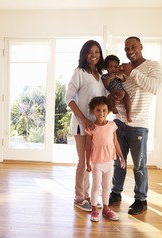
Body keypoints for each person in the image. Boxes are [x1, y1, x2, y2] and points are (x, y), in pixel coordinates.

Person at [108, 36, 162, 215]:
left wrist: (133, 72)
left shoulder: (153, 66)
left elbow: (154, 88)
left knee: (139, 165)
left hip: (138, 124)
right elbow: (122, 91)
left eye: (133, 47)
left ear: (141, 47)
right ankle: (116, 193)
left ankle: (141, 200)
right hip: (119, 123)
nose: (130, 50)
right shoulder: (124, 68)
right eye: (126, 48)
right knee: (118, 162)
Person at [65, 40, 107, 212]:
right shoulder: (79, 72)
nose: (94, 55)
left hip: (95, 126)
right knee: (83, 161)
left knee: (91, 161)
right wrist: (83, 119)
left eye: (97, 52)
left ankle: (86, 194)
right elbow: (69, 98)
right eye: (90, 52)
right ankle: (79, 197)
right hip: (81, 124)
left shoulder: (100, 75)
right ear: (84, 54)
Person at [85, 96, 126, 221]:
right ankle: (94, 210)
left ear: (108, 111)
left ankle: (106, 209)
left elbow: (115, 142)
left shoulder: (112, 125)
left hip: (109, 161)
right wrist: (88, 162)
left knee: (107, 186)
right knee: (96, 186)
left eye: (104, 110)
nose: (101, 113)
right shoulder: (91, 128)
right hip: (97, 162)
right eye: (98, 110)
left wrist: (122, 157)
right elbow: (88, 146)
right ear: (93, 111)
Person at [102, 54, 132, 122]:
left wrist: (120, 77)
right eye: (110, 67)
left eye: (115, 67)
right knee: (122, 92)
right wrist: (109, 78)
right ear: (106, 67)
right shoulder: (105, 76)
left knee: (127, 98)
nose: (113, 69)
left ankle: (128, 116)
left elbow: (124, 80)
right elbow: (105, 86)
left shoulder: (118, 74)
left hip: (121, 92)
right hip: (112, 92)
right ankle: (114, 106)